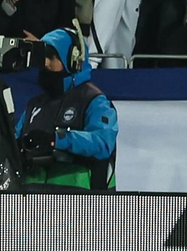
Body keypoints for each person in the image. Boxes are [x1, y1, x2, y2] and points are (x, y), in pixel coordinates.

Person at [15, 27, 118, 189]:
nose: (45, 63)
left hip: (79, 204)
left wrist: (56, 139)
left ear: (72, 60)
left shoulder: (95, 101)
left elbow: (102, 143)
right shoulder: (35, 104)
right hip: (32, 203)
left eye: (52, 57)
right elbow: (14, 140)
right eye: (44, 57)